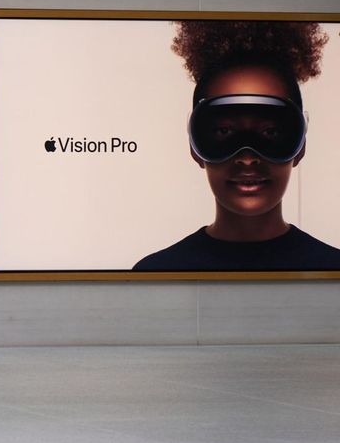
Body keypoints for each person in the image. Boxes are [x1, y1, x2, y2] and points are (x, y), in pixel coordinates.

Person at [134, 20, 340, 271]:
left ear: (301, 145)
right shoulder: (157, 273)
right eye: (224, 131)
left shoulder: (332, 268)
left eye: (270, 132)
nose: (247, 157)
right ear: (194, 146)